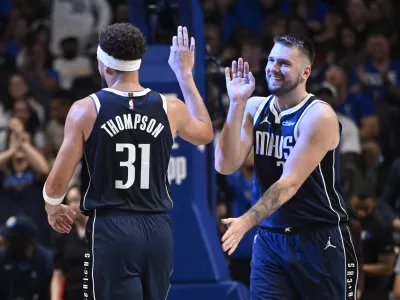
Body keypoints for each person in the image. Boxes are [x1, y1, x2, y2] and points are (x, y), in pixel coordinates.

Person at [42, 24, 213, 300]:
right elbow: (205, 132)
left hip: (113, 229)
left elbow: (57, 183)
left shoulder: (86, 109)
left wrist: (52, 207)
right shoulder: (170, 107)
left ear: (104, 66)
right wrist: (185, 76)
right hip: (158, 229)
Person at [215, 34, 358, 299]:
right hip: (270, 239)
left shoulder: (319, 115)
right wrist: (235, 104)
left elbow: (289, 182)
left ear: (305, 72)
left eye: (284, 63)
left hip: (319, 238)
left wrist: (245, 221)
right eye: (271, 60)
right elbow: (225, 165)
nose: (273, 68)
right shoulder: (255, 107)